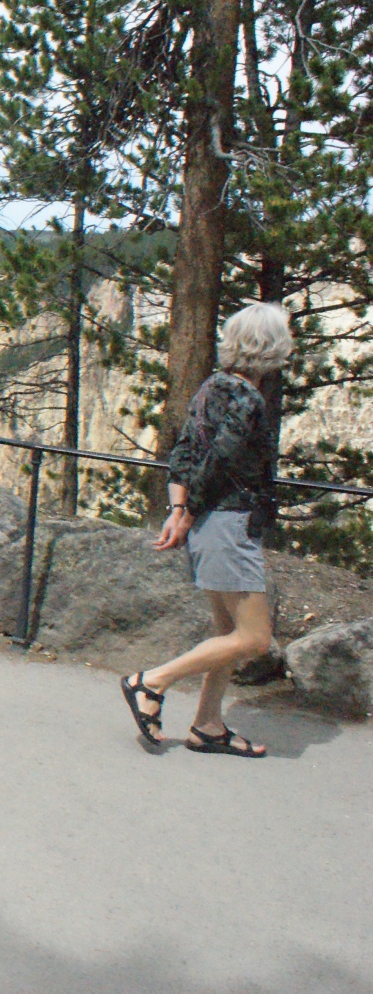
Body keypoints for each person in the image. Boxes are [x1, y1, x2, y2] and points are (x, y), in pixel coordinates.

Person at [122, 302, 294, 759]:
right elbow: (219, 461)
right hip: (229, 525)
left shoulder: (211, 387)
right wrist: (188, 513)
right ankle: (151, 682)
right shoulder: (249, 399)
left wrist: (179, 509)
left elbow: (183, 452)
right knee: (254, 639)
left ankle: (208, 725)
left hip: (209, 525)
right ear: (271, 345)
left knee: (227, 631)